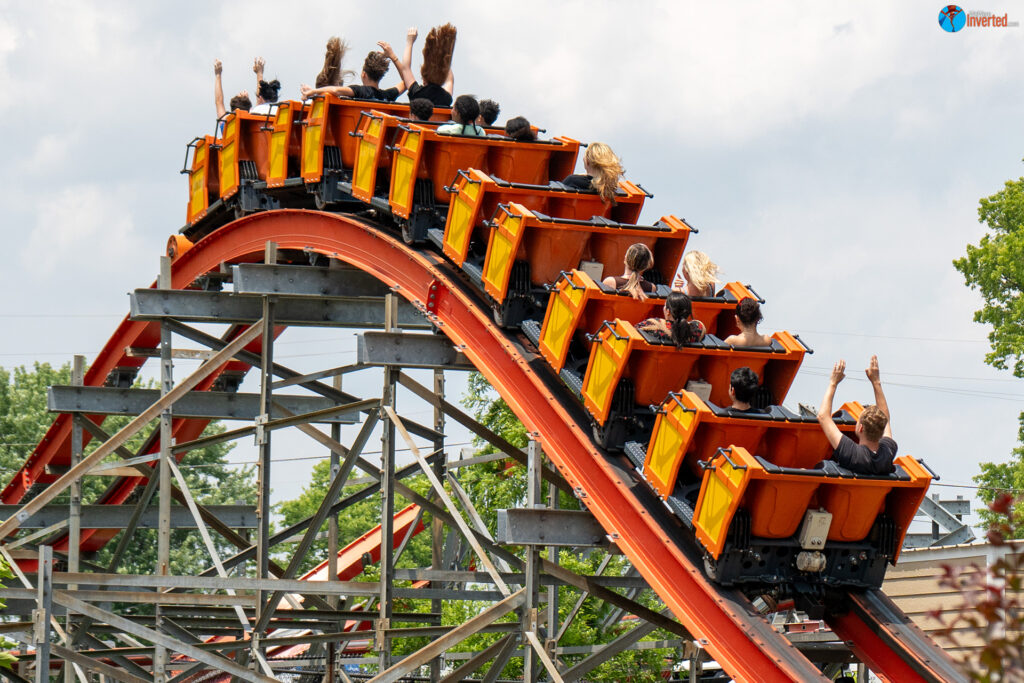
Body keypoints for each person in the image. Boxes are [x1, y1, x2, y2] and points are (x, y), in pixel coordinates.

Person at [816, 356, 897, 475]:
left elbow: (823, 417)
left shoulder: (853, 454)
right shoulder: (888, 452)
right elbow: (886, 420)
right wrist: (876, 382)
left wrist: (833, 382)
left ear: (861, 428)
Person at [301, 31, 416, 101]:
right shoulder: (386, 96)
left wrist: (313, 91)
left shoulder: (359, 91)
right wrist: (392, 56)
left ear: (363, 74)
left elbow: (335, 90)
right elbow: (407, 82)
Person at [400, 24, 456, 107]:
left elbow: (405, 68)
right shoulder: (446, 98)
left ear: (424, 76)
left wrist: (409, 42)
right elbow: (450, 81)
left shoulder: (417, 93)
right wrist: (444, 55)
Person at [637, 292, 706, 347]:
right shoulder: (698, 329)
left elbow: (634, 331)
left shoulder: (654, 325)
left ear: (668, 311)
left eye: (664, 306)